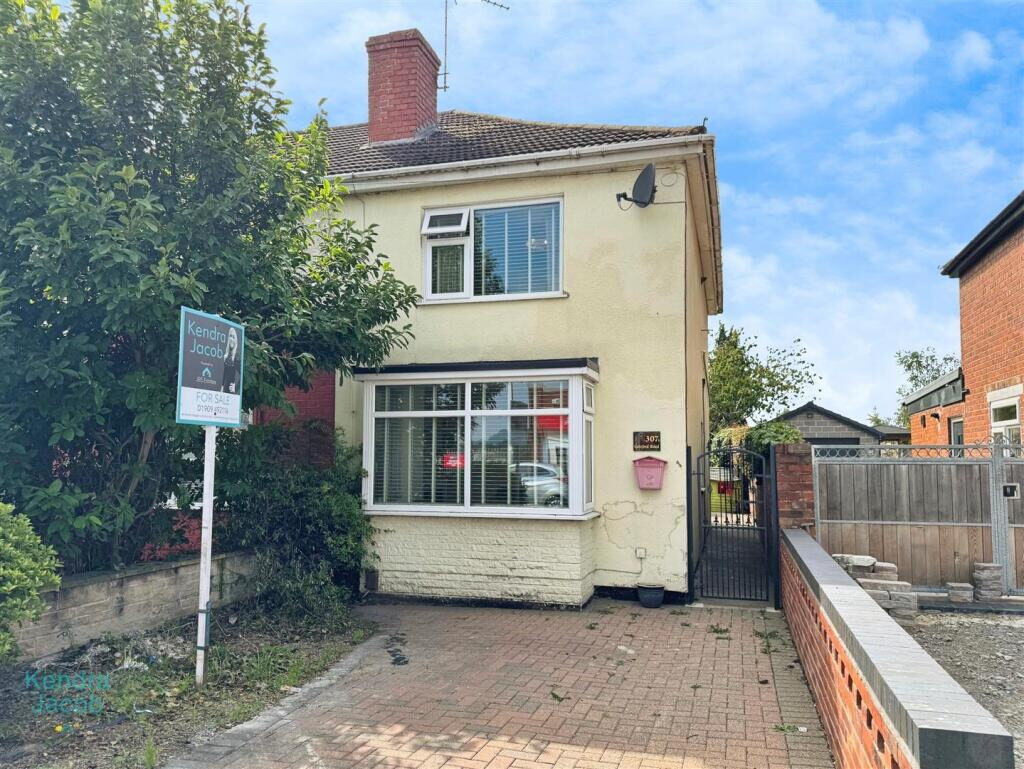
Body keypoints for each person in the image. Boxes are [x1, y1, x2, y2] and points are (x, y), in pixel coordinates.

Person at [221, 327, 241, 394]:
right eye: (230, 336)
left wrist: (235, 387)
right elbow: (225, 373)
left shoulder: (236, 356)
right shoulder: (226, 356)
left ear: (236, 340)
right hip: (224, 389)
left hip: (230, 390)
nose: (231, 339)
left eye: (233, 337)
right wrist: (222, 387)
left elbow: (241, 375)